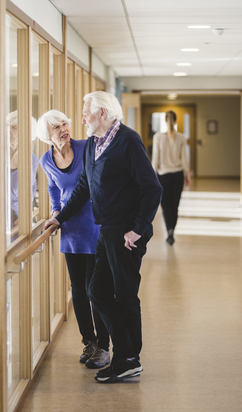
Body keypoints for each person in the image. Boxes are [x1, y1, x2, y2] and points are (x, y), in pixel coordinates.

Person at [44, 92, 162, 383]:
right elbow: (83, 186)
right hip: (105, 230)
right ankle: (125, 353)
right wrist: (59, 217)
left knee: (124, 295)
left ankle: (128, 359)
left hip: (127, 234)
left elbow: (152, 188)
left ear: (103, 114)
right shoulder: (93, 146)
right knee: (96, 291)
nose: (81, 118)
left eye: (86, 113)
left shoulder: (128, 141)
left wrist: (138, 227)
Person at [37, 109, 110, 369]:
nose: (63, 128)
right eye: (56, 127)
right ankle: (89, 342)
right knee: (78, 291)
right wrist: (55, 211)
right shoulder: (46, 160)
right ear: (48, 135)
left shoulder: (86, 147)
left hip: (94, 225)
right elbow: (52, 187)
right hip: (69, 229)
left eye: (65, 123)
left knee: (96, 290)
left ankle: (104, 346)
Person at [152, 110, 191, 245]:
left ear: (165, 121)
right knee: (175, 205)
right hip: (178, 176)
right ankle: (171, 231)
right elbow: (185, 159)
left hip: (163, 176)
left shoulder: (157, 137)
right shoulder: (181, 137)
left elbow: (155, 159)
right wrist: (187, 175)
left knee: (166, 205)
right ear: (175, 121)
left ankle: (168, 228)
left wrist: (152, 176)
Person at [6, 111, 39, 227]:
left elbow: (30, 190)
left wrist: (24, 215)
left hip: (16, 219)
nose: (8, 131)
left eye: (14, 127)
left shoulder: (31, 160)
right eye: (7, 126)